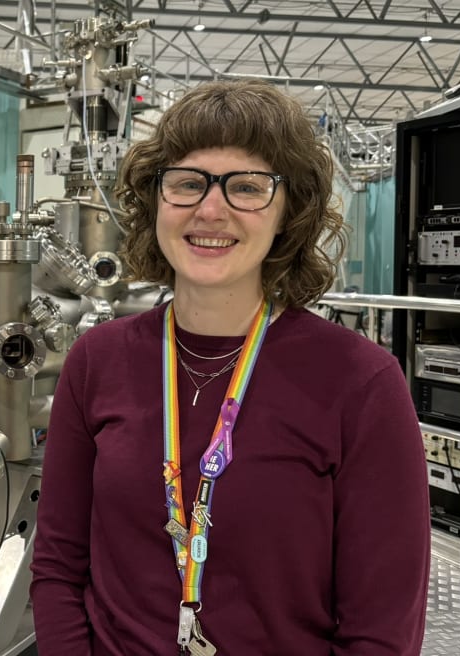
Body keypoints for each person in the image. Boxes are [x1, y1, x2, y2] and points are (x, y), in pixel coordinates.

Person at [29, 79, 430, 655]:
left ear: (289, 211)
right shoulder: (98, 360)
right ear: (155, 201)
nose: (210, 209)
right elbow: (59, 565)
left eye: (247, 187)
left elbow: (382, 629)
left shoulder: (360, 382)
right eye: (188, 183)